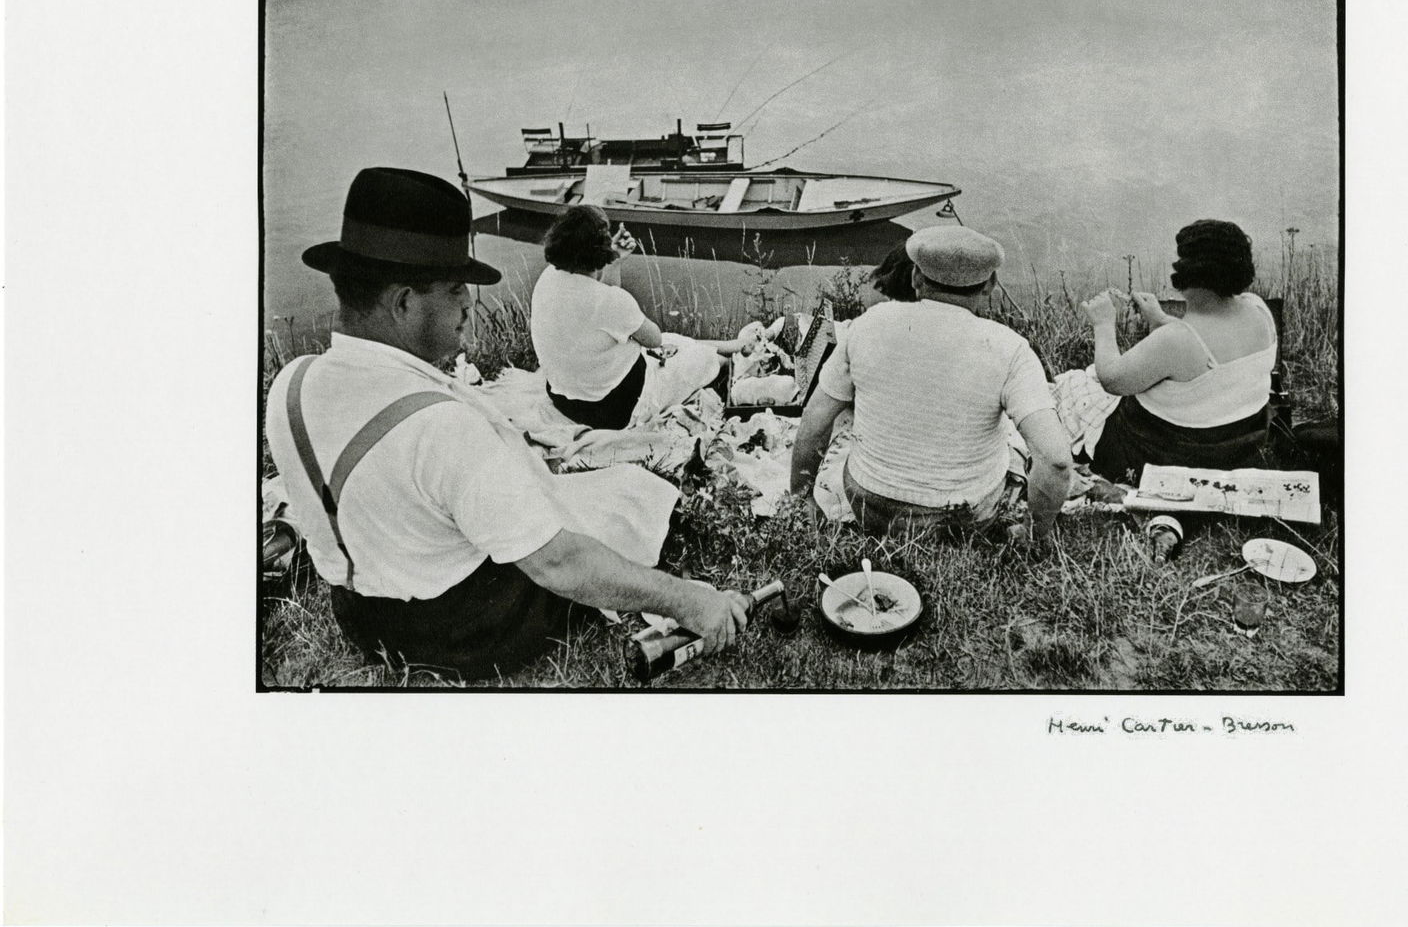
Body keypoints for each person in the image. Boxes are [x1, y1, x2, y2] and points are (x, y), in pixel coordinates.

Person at [263, 168, 750, 678]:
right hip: (463, 631)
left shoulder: (292, 384)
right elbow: (557, 564)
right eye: (455, 289)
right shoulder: (443, 426)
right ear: (404, 303)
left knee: (595, 496)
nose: (468, 304)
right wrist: (690, 601)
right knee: (622, 502)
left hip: (359, 617)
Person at [788, 225, 1085, 540]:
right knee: (1013, 449)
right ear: (990, 285)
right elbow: (1056, 461)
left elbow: (814, 420)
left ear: (916, 277)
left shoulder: (868, 323)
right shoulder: (1010, 348)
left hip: (868, 507)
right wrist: (1033, 533)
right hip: (962, 521)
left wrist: (802, 498)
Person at [1072, 219, 1278, 483]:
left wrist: (1103, 324)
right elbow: (1203, 347)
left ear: (1188, 272)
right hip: (1237, 443)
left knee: (1076, 386)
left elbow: (1111, 380)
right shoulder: (1258, 310)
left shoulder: (1175, 340)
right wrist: (1159, 318)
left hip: (1165, 452)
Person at [529, 205, 750, 430]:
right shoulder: (610, 301)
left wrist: (614, 261)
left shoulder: (548, 279)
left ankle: (733, 345)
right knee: (694, 357)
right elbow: (654, 339)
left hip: (566, 400)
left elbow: (602, 308)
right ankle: (730, 357)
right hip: (612, 409)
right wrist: (611, 259)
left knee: (672, 342)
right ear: (600, 250)